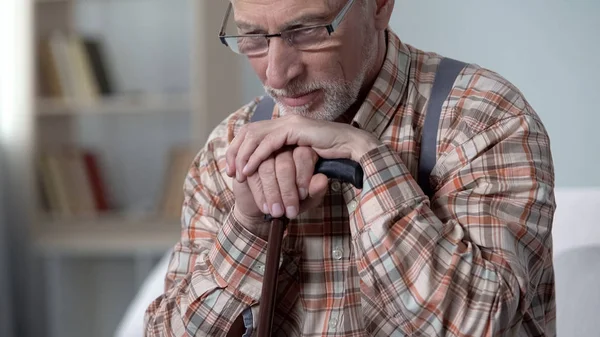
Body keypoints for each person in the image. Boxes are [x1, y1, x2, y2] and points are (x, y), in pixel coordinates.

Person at [144, 0, 556, 335]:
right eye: (252, 37)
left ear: (379, 6)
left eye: (306, 31)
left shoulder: (483, 117)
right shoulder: (229, 146)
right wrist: (246, 229)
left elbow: (479, 322)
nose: (276, 73)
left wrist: (366, 157)